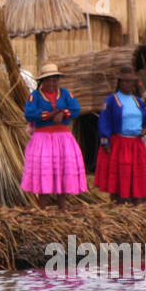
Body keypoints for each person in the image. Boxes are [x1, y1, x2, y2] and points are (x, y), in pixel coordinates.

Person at [22, 62, 87, 209]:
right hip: (43, 138)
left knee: (63, 169)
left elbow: (76, 109)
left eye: (54, 79)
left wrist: (63, 113)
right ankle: (42, 207)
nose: (51, 83)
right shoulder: (35, 96)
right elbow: (29, 113)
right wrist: (50, 115)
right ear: (42, 82)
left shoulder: (65, 94)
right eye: (48, 80)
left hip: (63, 138)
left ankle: (62, 207)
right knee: (45, 170)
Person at [95, 65, 146, 203]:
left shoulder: (138, 102)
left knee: (137, 173)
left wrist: (145, 130)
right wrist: (105, 140)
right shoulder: (111, 100)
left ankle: (137, 201)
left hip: (136, 143)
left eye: (131, 82)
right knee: (121, 172)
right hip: (119, 143)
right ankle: (120, 201)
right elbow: (104, 120)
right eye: (125, 81)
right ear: (120, 83)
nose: (128, 84)